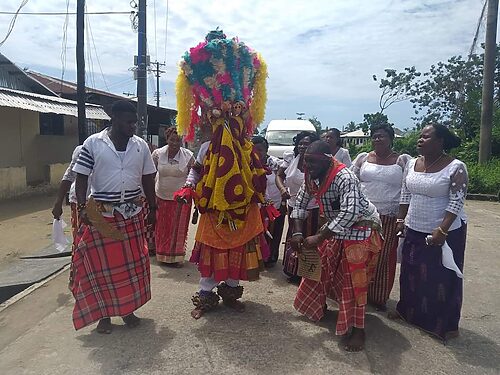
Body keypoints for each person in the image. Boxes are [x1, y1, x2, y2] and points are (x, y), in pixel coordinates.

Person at [174, 30, 269, 320]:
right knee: (212, 254)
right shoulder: (206, 147)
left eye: (237, 118)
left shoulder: (247, 147)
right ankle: (206, 297)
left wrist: (264, 194)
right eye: (225, 119)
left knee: (238, 252)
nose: (231, 123)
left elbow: (261, 171)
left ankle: (230, 294)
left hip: (242, 209)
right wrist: (188, 189)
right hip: (215, 209)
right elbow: (197, 170)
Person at [71, 100, 157, 334]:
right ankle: (104, 316)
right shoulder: (93, 144)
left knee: (131, 267)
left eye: (135, 123)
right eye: (129, 122)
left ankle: (127, 311)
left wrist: (154, 209)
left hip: (133, 214)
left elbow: (149, 178)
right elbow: (81, 178)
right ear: (115, 119)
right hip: (101, 216)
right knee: (100, 268)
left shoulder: (141, 147)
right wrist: (81, 208)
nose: (133, 127)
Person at [291, 140, 382, 352]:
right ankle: (318, 306)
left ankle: (358, 329)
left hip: (362, 226)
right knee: (321, 267)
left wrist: (319, 237)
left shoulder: (345, 176)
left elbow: (350, 213)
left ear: (326, 159)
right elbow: (300, 205)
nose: (307, 167)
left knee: (354, 279)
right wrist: (297, 233)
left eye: (312, 163)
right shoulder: (312, 177)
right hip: (336, 226)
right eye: (305, 163)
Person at [390, 123, 467, 342]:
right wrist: (400, 220)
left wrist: (442, 229)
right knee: (411, 273)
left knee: (440, 278)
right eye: (420, 136)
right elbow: (405, 194)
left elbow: (457, 200)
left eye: (426, 137)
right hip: (414, 226)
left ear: (440, 141)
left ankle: (443, 324)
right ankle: (408, 312)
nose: (420, 140)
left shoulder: (455, 166)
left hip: (444, 231)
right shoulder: (413, 163)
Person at [351, 123, 411, 310]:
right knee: (360, 254)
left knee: (384, 257)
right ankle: (356, 292)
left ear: (391, 138)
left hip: (389, 217)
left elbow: (407, 190)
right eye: (375, 136)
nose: (377, 139)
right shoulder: (362, 158)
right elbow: (352, 182)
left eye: (382, 136)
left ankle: (377, 297)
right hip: (364, 215)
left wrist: (402, 218)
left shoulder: (402, 161)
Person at [275, 131, 320, 283]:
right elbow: (279, 175)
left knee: (309, 237)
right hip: (293, 204)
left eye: (306, 144)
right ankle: (292, 269)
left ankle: (306, 272)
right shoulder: (291, 158)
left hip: (313, 207)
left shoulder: (317, 162)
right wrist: (282, 190)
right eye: (300, 143)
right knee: (293, 235)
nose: (302, 146)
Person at [152, 126, 194, 266]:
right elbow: (151, 174)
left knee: (178, 228)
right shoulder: (157, 154)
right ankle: (162, 256)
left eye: (178, 140)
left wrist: (189, 190)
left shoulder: (188, 156)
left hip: (181, 200)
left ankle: (176, 257)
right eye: (172, 140)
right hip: (161, 196)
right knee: (162, 227)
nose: (175, 143)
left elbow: (194, 176)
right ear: (167, 139)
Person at [252, 135, 285, 267]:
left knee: (274, 232)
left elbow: (284, 182)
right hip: (255, 206)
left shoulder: (277, 164)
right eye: (253, 149)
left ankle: (270, 257)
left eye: (260, 149)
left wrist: (283, 203)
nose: (256, 153)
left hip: (274, 205)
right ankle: (255, 259)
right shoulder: (246, 163)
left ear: (266, 150)